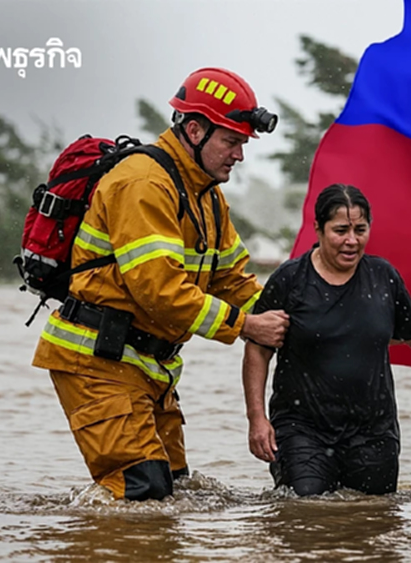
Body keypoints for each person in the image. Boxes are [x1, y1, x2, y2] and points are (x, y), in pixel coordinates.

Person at [31, 68, 290, 501]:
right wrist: (247, 326)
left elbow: (233, 281)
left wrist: (299, 316)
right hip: (98, 364)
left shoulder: (207, 194)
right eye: (231, 141)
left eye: (243, 144)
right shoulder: (143, 183)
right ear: (195, 130)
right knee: (143, 494)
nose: (239, 155)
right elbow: (161, 292)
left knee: (178, 495)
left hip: (150, 369)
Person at [242, 184, 411, 497]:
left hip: (373, 432)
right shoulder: (290, 280)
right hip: (302, 429)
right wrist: (257, 418)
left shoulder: (383, 276)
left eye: (360, 230)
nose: (352, 240)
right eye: (341, 230)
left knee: (373, 516)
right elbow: (257, 350)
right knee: (305, 512)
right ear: (318, 228)